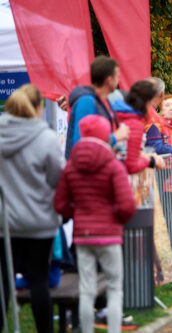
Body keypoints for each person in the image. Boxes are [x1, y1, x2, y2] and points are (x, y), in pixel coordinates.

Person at [54, 115, 137, 333]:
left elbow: (60, 203)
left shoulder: (71, 165)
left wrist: (79, 214)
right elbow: (127, 205)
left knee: (86, 289)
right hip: (110, 235)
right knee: (114, 287)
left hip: (83, 235)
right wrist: (116, 219)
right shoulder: (112, 164)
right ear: (104, 134)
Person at [0, 84, 64, 333]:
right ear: (38, 108)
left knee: (3, 281)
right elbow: (57, 179)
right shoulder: (46, 138)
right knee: (39, 281)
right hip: (39, 222)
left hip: (5, 223)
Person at [66, 55, 129, 159]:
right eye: (117, 76)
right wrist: (115, 137)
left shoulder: (104, 101)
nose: (119, 80)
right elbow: (81, 144)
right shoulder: (86, 102)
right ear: (109, 80)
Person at [111, 80, 165, 174]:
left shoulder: (116, 114)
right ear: (148, 101)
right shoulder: (135, 123)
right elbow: (131, 166)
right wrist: (151, 160)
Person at [145, 78, 172, 156]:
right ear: (162, 94)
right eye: (167, 105)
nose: (171, 108)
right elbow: (155, 147)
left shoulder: (144, 108)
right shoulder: (151, 114)